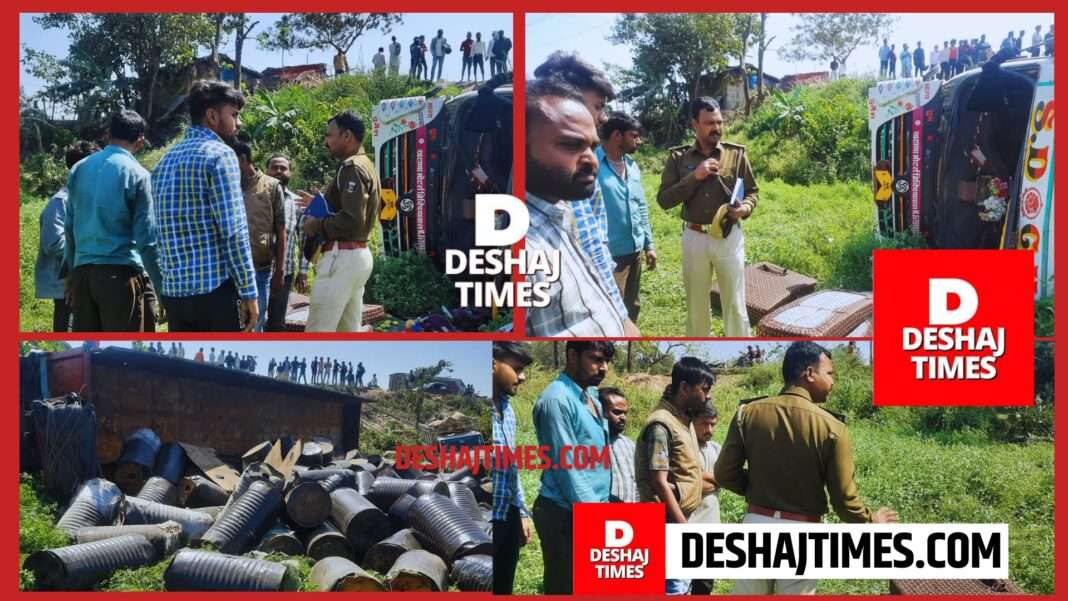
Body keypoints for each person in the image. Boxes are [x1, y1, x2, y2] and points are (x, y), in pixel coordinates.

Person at [716, 341, 900, 594]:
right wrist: (872, 522)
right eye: (830, 374)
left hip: (755, 525)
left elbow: (724, 474)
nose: (833, 382)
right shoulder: (833, 427)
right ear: (809, 373)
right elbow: (844, 500)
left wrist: (759, 485)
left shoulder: (747, 413)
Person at [523, 77, 632, 337]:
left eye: (592, 147)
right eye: (571, 145)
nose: (591, 161)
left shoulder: (560, 213)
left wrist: (620, 318)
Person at [152, 80, 256, 331]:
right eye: (234, 115)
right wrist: (249, 292)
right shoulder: (220, 155)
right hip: (213, 293)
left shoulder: (164, 162)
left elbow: (160, 233)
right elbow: (233, 232)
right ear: (212, 116)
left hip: (175, 293)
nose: (238, 123)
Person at [657, 97, 757, 338]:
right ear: (694, 124)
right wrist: (695, 177)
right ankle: (699, 349)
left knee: (734, 302)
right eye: (709, 123)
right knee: (696, 304)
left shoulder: (736, 154)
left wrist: (744, 208)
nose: (717, 128)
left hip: (728, 235)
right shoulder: (678, 158)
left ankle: (738, 344)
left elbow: (752, 191)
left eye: (720, 122)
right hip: (694, 238)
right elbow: (664, 200)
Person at [65, 110, 161, 332]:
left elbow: (69, 228)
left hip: (82, 276)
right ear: (140, 141)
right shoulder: (138, 174)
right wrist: (161, 286)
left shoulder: (79, 168)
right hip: (119, 277)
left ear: (108, 134)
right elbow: (147, 241)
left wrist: (71, 273)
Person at [531, 340, 614, 595]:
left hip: (589, 509)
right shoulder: (557, 400)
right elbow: (567, 468)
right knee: (565, 587)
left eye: (606, 361)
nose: (604, 368)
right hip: (564, 513)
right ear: (572, 356)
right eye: (596, 359)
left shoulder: (592, 399)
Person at [635, 356, 715, 595]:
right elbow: (659, 482)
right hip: (667, 524)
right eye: (704, 389)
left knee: (682, 587)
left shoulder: (682, 420)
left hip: (676, 521)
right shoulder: (662, 425)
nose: (707, 396)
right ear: (684, 388)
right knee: (673, 588)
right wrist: (684, 528)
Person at [297, 111, 381, 332]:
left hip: (341, 258)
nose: (326, 141)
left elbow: (351, 220)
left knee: (317, 332)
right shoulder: (366, 164)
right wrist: (322, 203)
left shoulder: (351, 167)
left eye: (329, 135)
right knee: (347, 332)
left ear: (346, 136)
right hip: (355, 257)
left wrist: (315, 225)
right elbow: (352, 212)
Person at [597, 111, 656, 323]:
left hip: (635, 249)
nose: (639, 141)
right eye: (634, 135)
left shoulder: (632, 166)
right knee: (611, 307)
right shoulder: (592, 165)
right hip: (609, 254)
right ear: (616, 136)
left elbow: (640, 206)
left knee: (632, 304)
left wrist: (649, 245)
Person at [37, 141, 99, 332]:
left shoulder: (88, 198)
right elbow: (54, 243)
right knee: (68, 328)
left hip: (85, 281)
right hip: (65, 286)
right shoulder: (60, 202)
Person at [491, 342, 535, 595]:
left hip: (507, 514)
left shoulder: (508, 410)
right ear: (493, 364)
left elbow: (512, 466)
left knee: (504, 585)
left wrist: (521, 511)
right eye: (517, 368)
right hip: (485, 519)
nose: (522, 376)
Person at [229, 140, 285, 332]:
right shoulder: (228, 186)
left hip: (260, 270)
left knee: (256, 321)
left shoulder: (271, 186)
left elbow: (281, 229)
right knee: (232, 323)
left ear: (243, 159)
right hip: (231, 271)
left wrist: (280, 269)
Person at [264, 154, 309, 331]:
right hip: (258, 271)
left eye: (283, 168)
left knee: (276, 321)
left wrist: (303, 273)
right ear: (266, 171)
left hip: (285, 273)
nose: (278, 171)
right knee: (254, 317)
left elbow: (304, 239)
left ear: (290, 172)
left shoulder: (296, 203)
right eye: (274, 167)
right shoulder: (255, 197)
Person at [688, 400, 722, 595]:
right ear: (693, 422)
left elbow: (725, 478)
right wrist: (715, 480)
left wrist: (699, 480)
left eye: (713, 424)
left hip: (711, 524)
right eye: (705, 423)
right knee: (682, 584)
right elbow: (690, 482)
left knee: (704, 584)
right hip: (689, 522)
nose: (709, 429)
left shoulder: (715, 448)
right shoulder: (686, 449)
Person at [600, 387, 637, 503]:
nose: (623, 417)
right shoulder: (589, 446)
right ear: (600, 411)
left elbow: (637, 484)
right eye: (616, 412)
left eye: (625, 413)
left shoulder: (630, 445)